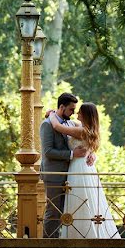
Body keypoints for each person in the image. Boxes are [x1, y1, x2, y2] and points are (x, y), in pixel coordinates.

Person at [47, 102, 121, 241]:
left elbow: (58, 126)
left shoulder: (82, 131)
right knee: (81, 201)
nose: (76, 114)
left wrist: (51, 114)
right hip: (82, 167)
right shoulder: (84, 128)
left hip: (79, 168)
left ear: (85, 115)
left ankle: (82, 240)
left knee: (80, 201)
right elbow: (69, 124)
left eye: (79, 112)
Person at [40, 92, 88, 238]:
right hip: (53, 175)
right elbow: (48, 151)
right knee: (53, 212)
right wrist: (73, 155)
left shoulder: (69, 123)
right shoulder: (47, 124)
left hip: (69, 176)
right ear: (62, 107)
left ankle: (60, 246)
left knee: (65, 212)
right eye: (71, 109)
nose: (73, 113)